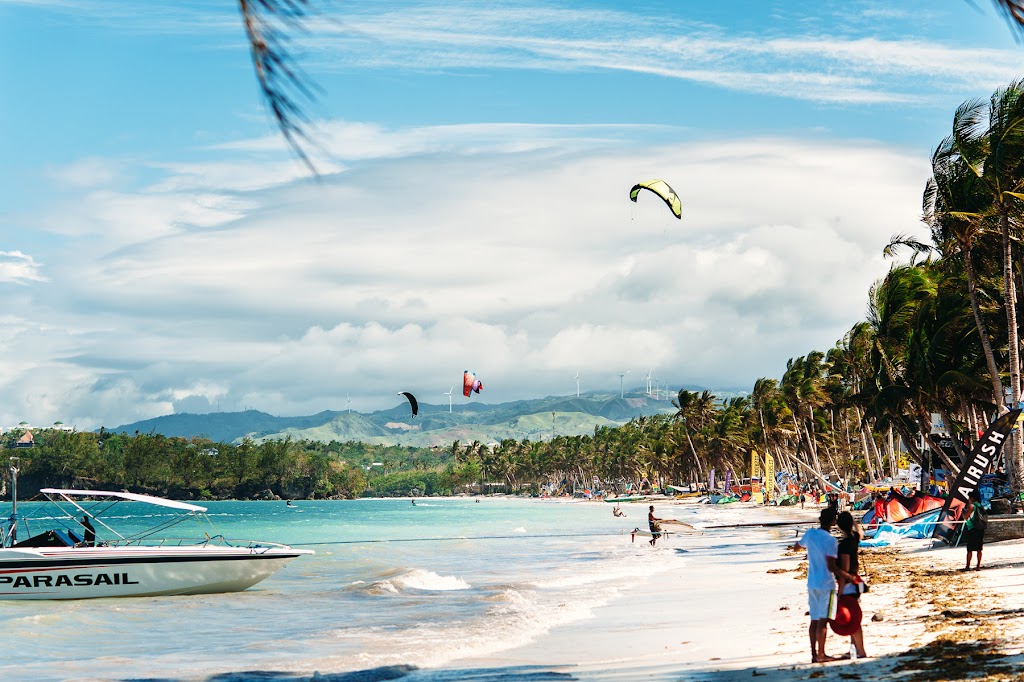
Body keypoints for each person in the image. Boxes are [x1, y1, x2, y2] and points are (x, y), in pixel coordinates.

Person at [790, 507, 854, 663]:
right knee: (823, 620)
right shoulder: (831, 541)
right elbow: (831, 565)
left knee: (814, 620)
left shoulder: (810, 534)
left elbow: (796, 547)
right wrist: (847, 576)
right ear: (833, 522)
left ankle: (813, 654)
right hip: (826, 583)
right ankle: (822, 654)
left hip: (812, 582)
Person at [836, 511, 868, 659]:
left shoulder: (844, 544)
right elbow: (860, 532)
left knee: (853, 619)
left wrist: (839, 592)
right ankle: (854, 649)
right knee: (853, 617)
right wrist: (853, 522)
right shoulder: (853, 539)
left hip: (849, 583)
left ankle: (860, 651)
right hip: (855, 581)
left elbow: (844, 569)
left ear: (838, 526)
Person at [962, 490, 986, 571]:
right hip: (980, 528)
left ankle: (968, 566)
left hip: (972, 528)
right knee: (979, 549)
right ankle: (978, 566)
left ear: (972, 498)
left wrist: (963, 512)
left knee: (970, 549)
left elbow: (966, 516)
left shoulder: (972, 506)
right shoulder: (980, 505)